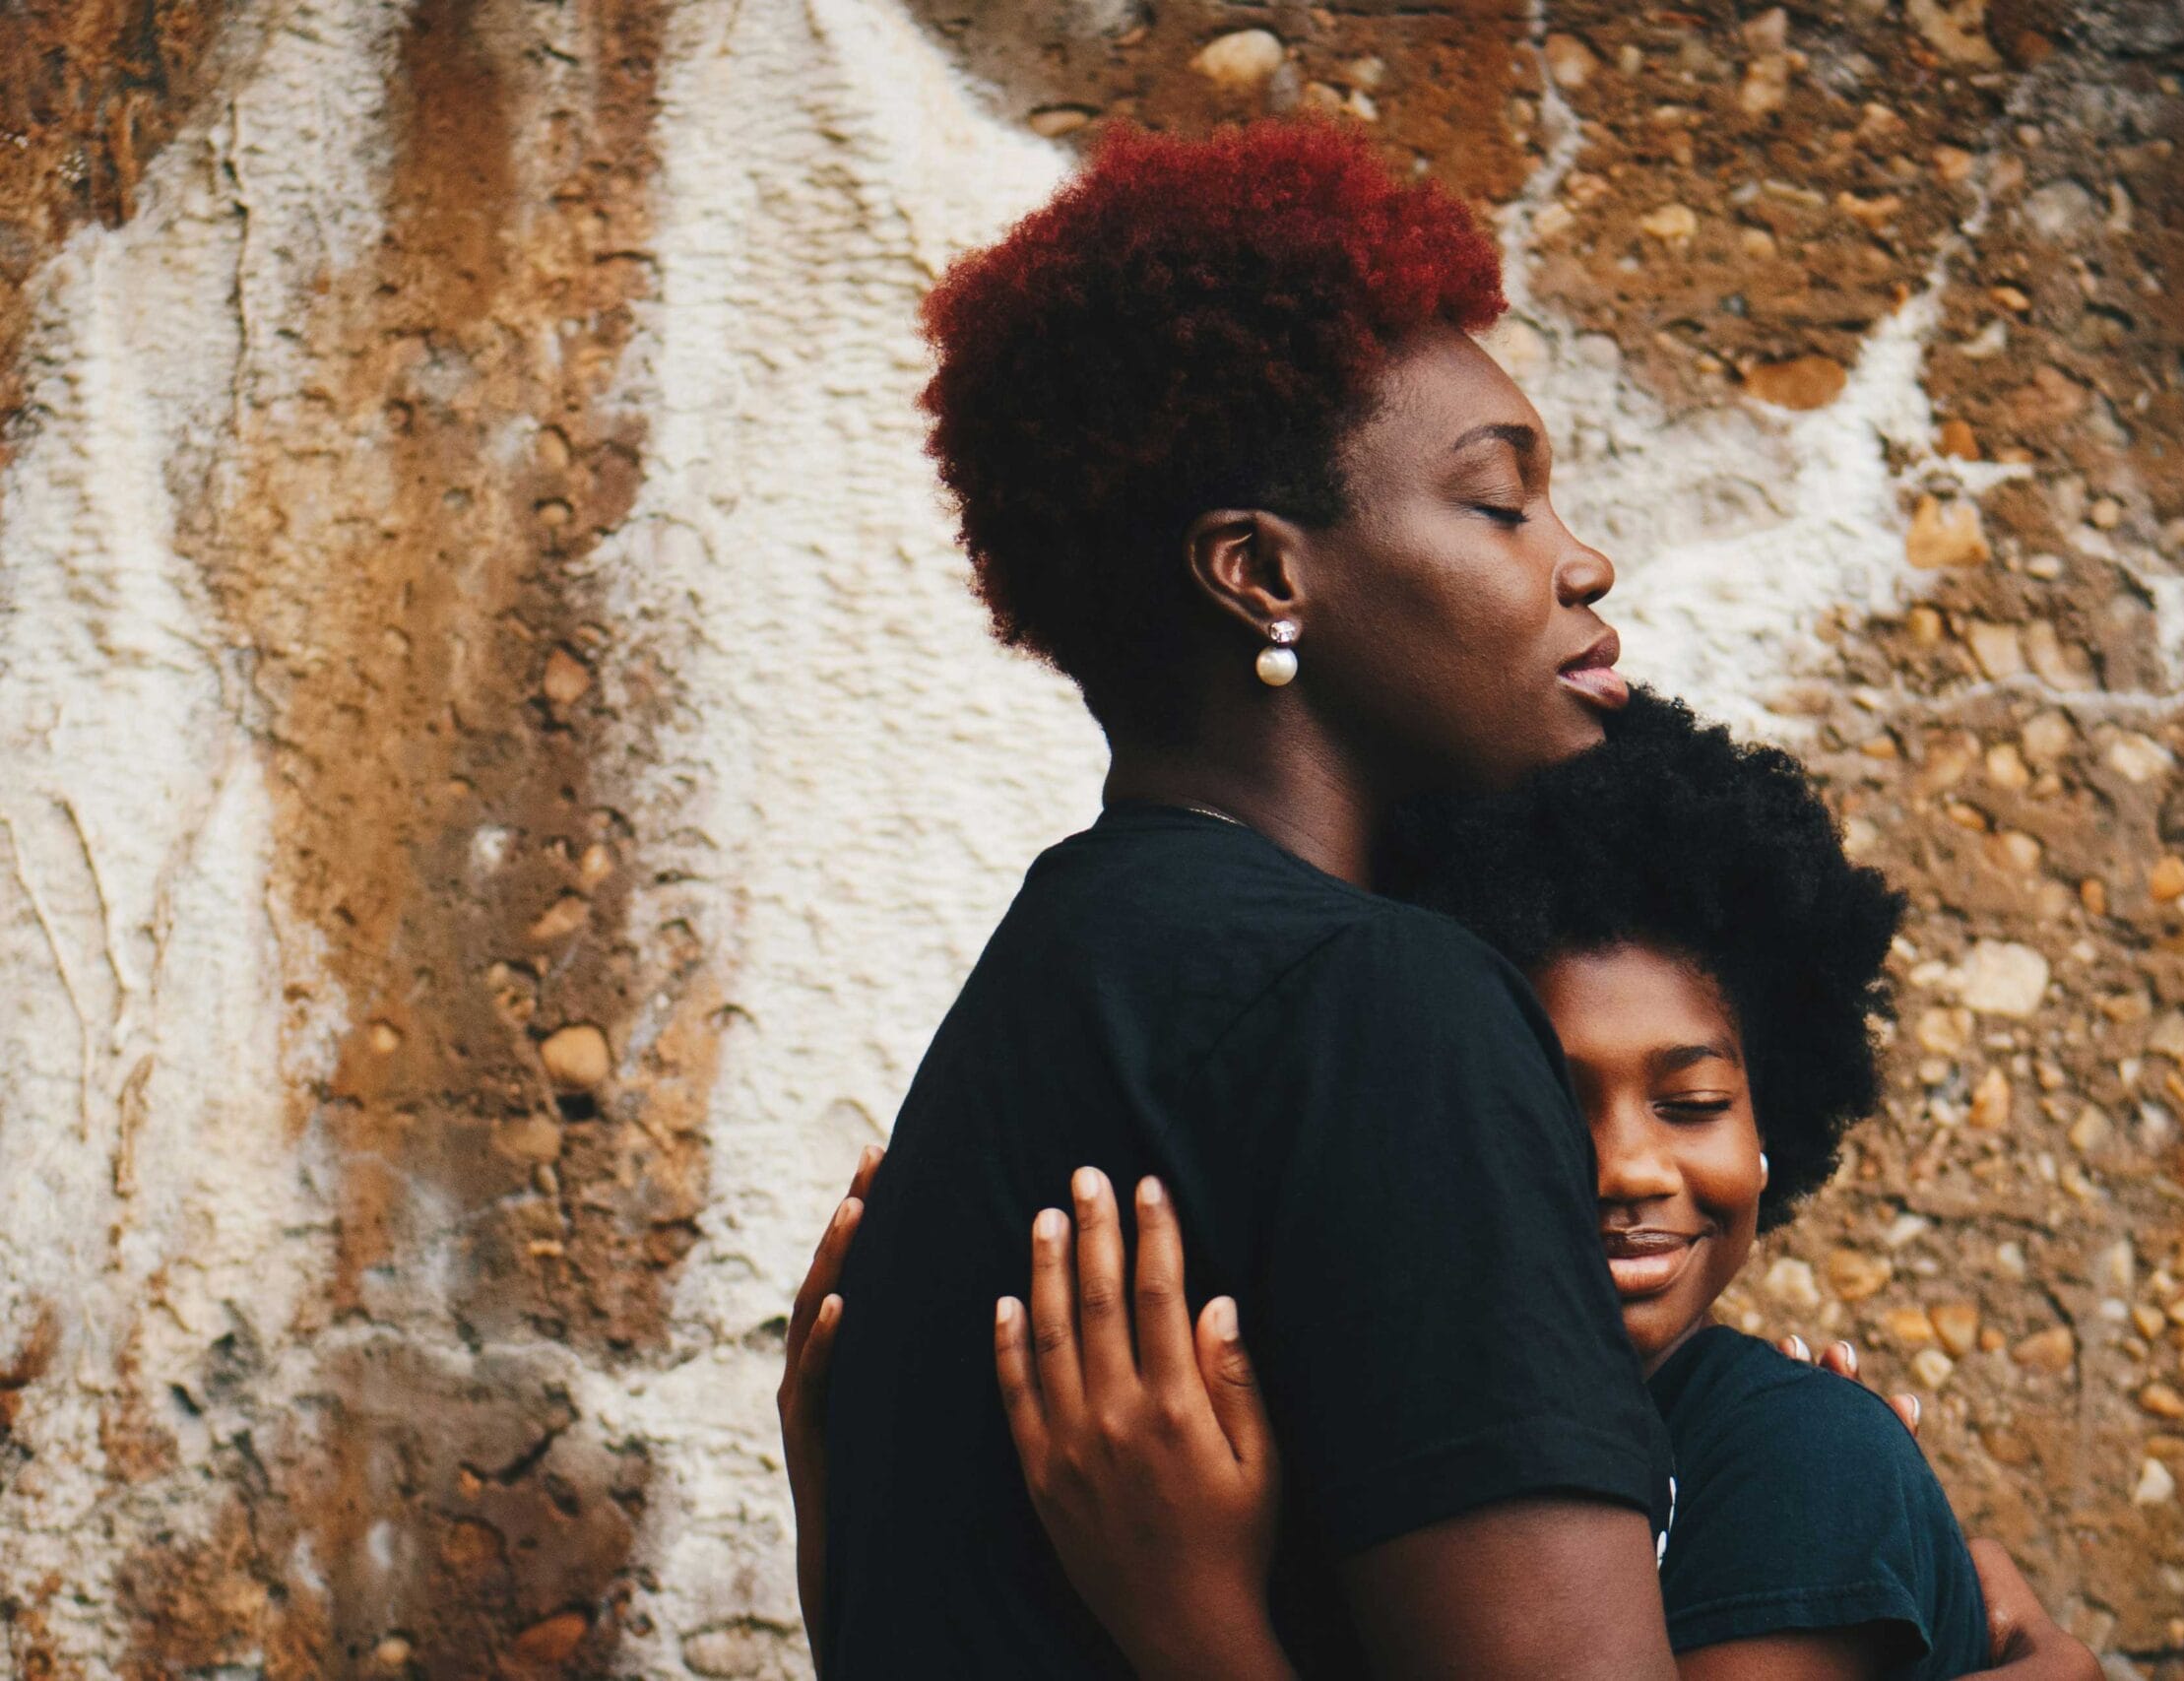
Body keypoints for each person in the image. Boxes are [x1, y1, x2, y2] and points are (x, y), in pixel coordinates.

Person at [798, 116, 2097, 1681]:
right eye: (1500, 503)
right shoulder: (1385, 1004)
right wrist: (1198, 1621)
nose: (1583, 560)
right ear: (1262, 575)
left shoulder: (1038, 999)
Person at [982, 693, 2000, 1681]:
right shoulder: (1395, 1439)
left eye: (1691, 1103)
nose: (1629, 1168)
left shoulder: (1797, 1454)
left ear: (1772, 1126)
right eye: (1545, 1107)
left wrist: (1190, 1619)